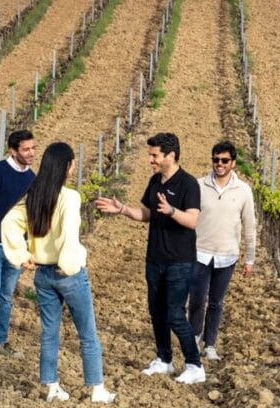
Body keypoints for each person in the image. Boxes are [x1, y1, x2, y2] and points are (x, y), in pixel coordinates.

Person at [2, 142, 116, 403]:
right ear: (67, 166)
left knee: (50, 333)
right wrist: (69, 264)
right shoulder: (70, 197)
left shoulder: (33, 196)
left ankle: (52, 387)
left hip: (42, 275)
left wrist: (21, 256)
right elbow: (69, 234)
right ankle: (97, 389)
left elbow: (8, 222)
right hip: (69, 275)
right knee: (87, 333)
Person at [94, 132, 205, 384]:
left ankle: (194, 365)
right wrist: (122, 210)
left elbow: (192, 220)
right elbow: (146, 214)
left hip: (180, 260)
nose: (150, 160)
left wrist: (171, 210)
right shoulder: (155, 181)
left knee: (175, 314)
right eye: (150, 155)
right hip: (155, 258)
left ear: (171, 155)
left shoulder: (188, 184)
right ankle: (164, 360)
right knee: (157, 312)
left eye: (154, 155)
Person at [189, 141, 256, 361]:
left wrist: (250, 258)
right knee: (197, 299)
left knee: (216, 302)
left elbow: (249, 225)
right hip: (200, 252)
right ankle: (194, 337)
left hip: (227, 255)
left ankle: (210, 344)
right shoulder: (198, 186)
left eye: (224, 160)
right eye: (216, 159)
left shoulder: (244, 190)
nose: (219, 164)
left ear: (233, 163)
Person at [0, 130, 36, 363]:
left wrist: (26, 246)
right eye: (26, 149)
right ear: (13, 150)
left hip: (16, 248)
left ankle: (1, 340)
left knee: (6, 295)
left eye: (33, 148)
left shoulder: (32, 178)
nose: (31, 153)